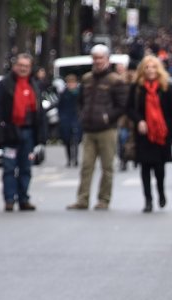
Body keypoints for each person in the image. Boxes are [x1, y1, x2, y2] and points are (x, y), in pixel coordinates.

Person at [67, 44, 127, 210]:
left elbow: (122, 105)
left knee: (107, 167)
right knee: (86, 166)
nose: (98, 61)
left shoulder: (115, 80)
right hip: (89, 129)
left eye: (101, 58)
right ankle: (82, 199)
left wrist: (108, 117)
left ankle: (104, 199)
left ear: (107, 59)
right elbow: (80, 101)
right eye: (95, 58)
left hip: (107, 130)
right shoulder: (87, 79)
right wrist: (82, 115)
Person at [126, 55, 172, 213]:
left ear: (158, 70)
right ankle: (148, 200)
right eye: (147, 67)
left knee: (159, 168)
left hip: (162, 133)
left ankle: (161, 193)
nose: (150, 70)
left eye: (153, 67)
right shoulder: (137, 88)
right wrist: (139, 121)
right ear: (143, 70)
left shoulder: (165, 87)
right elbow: (129, 108)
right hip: (144, 133)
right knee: (145, 168)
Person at [0, 53, 46, 212]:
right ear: (15, 66)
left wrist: (41, 136)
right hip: (10, 132)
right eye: (20, 65)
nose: (23, 69)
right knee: (9, 168)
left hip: (28, 132)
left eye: (26, 66)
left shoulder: (34, 85)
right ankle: (9, 199)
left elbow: (40, 112)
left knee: (26, 168)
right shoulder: (4, 85)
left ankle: (24, 199)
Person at [57, 74, 82, 167]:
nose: (71, 84)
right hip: (66, 119)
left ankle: (75, 159)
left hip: (76, 118)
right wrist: (61, 117)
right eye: (69, 83)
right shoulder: (63, 93)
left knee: (76, 140)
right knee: (67, 140)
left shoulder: (79, 93)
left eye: (72, 82)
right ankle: (69, 159)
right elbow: (60, 106)